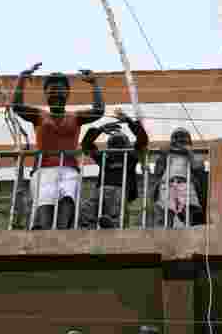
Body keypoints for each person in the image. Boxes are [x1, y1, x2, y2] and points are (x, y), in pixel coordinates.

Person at [12, 64, 104, 230]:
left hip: (69, 168)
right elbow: (17, 107)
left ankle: (62, 231)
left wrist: (94, 83)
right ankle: (46, 231)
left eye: (60, 89)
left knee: (67, 198)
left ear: (67, 93)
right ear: (46, 94)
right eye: (51, 89)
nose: (56, 92)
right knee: (45, 201)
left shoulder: (75, 117)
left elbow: (98, 110)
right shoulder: (39, 115)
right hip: (43, 168)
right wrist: (21, 79)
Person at [81, 109, 149, 229]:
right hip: (101, 189)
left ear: (128, 145)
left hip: (120, 190)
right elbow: (86, 144)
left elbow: (142, 139)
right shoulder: (105, 157)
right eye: (114, 142)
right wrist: (100, 129)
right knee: (89, 206)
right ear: (109, 146)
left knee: (116, 206)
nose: (117, 146)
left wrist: (129, 121)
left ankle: (114, 223)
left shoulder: (130, 156)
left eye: (121, 142)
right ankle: (90, 225)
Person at [150, 128, 208, 228]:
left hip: (186, 185)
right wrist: (164, 154)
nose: (180, 142)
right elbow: (158, 172)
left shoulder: (193, 155)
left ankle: (188, 235)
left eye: (183, 140)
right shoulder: (166, 154)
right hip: (167, 185)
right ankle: (163, 238)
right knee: (165, 216)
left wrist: (189, 153)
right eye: (178, 139)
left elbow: (198, 167)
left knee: (188, 215)